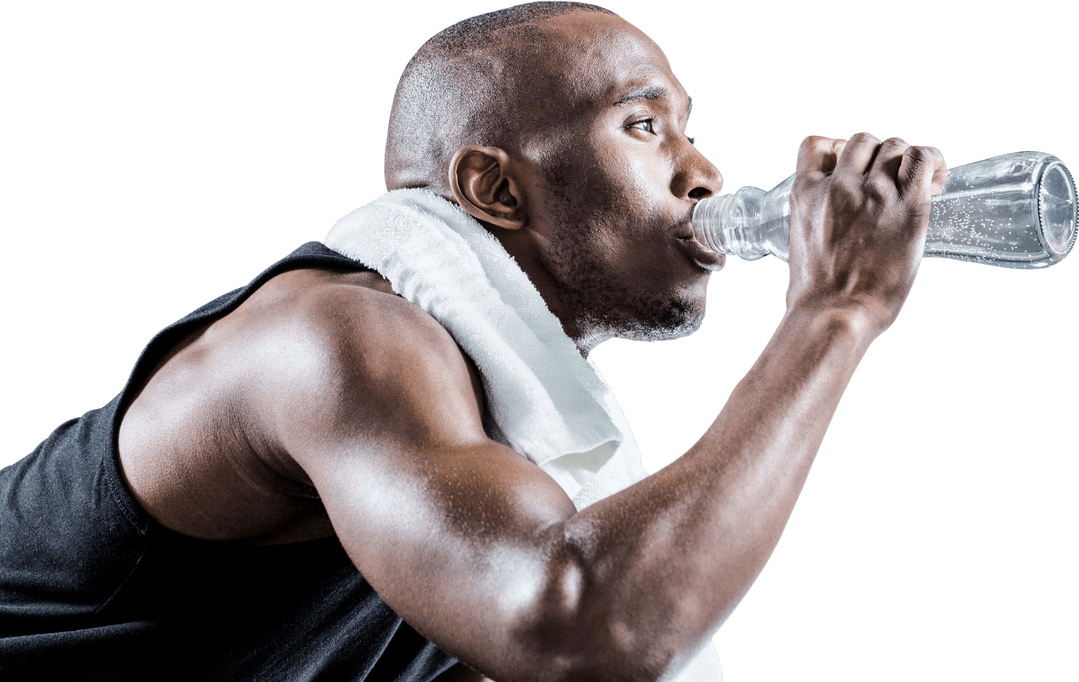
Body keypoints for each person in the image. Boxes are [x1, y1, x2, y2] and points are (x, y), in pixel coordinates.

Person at [0, 2, 948, 680]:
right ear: (495, 191)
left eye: (686, 130)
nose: (703, 173)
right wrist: (835, 311)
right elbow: (574, 630)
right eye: (643, 124)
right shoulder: (338, 343)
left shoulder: (487, 432)